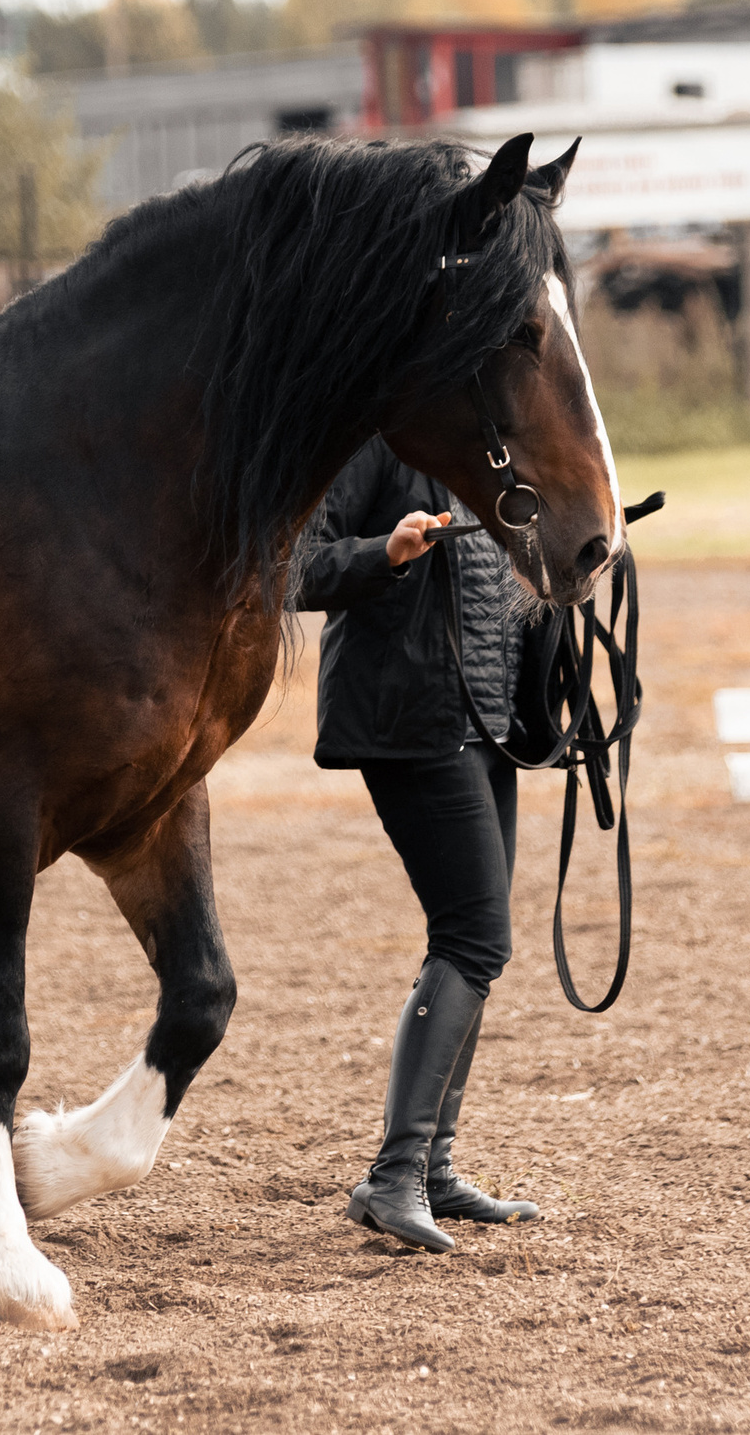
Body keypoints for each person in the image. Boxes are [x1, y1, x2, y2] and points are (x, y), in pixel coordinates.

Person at [290, 433, 544, 1253]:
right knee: (475, 938)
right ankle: (395, 1174)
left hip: (487, 723)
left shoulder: (495, 440)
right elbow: (291, 566)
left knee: (474, 944)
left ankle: (430, 1167)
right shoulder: (374, 438)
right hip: (407, 720)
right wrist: (386, 552)